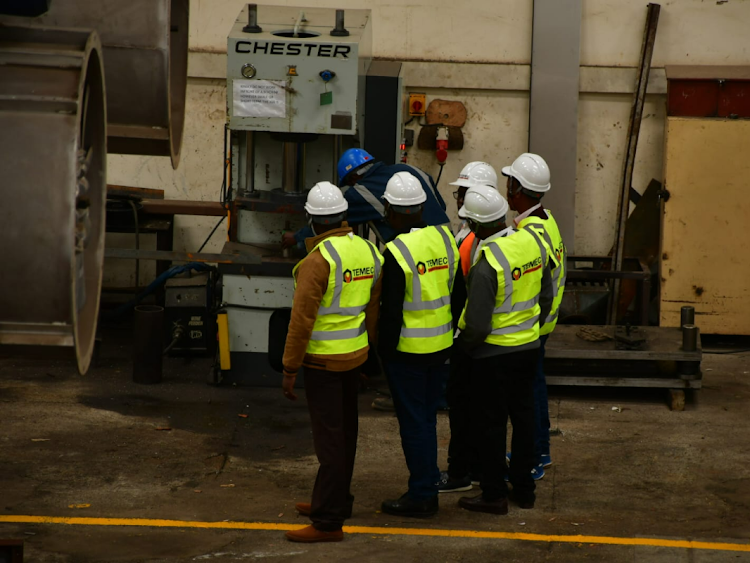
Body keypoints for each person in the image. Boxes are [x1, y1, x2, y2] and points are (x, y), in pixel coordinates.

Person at [281, 181, 384, 543]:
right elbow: (372, 311)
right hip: (354, 357)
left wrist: (289, 368)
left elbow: (301, 321)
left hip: (323, 363)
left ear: (312, 221)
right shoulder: (369, 252)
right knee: (346, 436)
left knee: (329, 442)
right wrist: (368, 355)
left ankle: (327, 522)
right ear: (343, 216)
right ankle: (337, 499)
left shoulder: (318, 260)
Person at [449, 185, 552, 515]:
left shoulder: (487, 262)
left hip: (492, 357)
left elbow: (477, 325)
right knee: (524, 420)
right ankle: (524, 488)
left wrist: (462, 349)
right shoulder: (531, 242)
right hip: (528, 348)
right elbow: (546, 296)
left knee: (491, 425)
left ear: (477, 226)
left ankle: (493, 494)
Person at [376, 172, 465, 518]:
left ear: (390, 210)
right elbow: (459, 296)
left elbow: (390, 315)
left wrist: (382, 356)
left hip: (408, 354)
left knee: (414, 424)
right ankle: (426, 483)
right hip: (440, 348)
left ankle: (422, 494)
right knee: (426, 420)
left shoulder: (396, 252)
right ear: (422, 207)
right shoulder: (445, 241)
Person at [503, 153, 566, 481]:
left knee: (527, 394)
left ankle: (536, 454)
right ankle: (539, 449)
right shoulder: (547, 220)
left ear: (518, 189)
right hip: (546, 322)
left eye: (509, 182)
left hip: (533, 326)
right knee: (535, 386)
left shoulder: (529, 237)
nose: (506, 188)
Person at [282, 149, 450, 250]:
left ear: (354, 177)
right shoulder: (409, 169)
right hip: (448, 243)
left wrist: (296, 238)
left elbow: (329, 221)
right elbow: (441, 205)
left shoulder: (359, 193)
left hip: (415, 252)